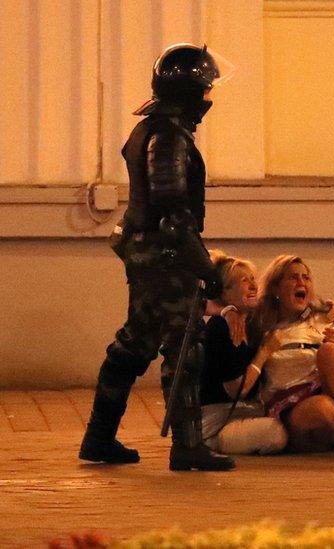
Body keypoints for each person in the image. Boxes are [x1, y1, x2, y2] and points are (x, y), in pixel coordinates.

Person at [79, 44, 235, 472]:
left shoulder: (153, 128)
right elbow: (174, 214)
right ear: (189, 92)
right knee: (184, 348)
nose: (208, 99)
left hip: (146, 251)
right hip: (166, 256)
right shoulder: (167, 136)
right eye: (204, 90)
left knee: (135, 342)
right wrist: (208, 270)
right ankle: (187, 445)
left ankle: (99, 437)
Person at [253, 255, 334, 463]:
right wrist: (230, 312)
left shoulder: (323, 320)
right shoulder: (262, 324)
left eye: (306, 278)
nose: (301, 283)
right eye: (293, 278)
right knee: (322, 409)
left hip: (332, 400)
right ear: (276, 288)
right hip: (293, 407)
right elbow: (230, 302)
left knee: (330, 351)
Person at [199, 250, 288, 455]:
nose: (254, 286)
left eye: (253, 279)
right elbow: (236, 390)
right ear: (224, 293)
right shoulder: (220, 327)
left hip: (244, 412)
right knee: (276, 433)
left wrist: (326, 309)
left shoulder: (250, 325)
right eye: (243, 281)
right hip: (218, 422)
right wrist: (264, 354)